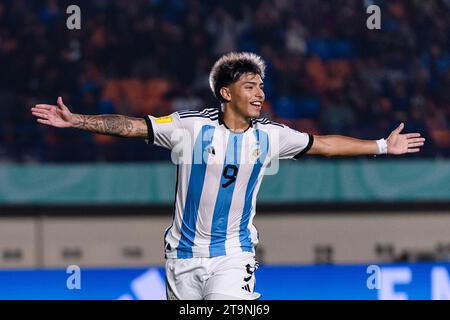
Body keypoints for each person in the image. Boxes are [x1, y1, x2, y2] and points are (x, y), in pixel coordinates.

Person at [31, 52, 425, 300]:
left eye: (261, 87)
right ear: (225, 93)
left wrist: (383, 146)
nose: (259, 94)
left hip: (233, 256)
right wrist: (77, 121)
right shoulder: (188, 127)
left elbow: (322, 144)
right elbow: (133, 126)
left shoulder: (272, 135)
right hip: (181, 258)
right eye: (250, 86)